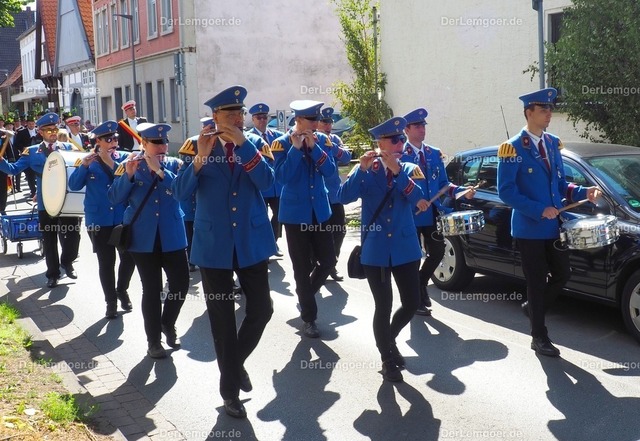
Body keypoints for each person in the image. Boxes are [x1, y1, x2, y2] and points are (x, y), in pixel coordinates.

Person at [173, 85, 276, 419]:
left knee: (262, 309)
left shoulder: (255, 144)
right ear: (214, 116)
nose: (236, 118)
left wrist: (244, 146)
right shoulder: (195, 145)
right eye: (229, 113)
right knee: (222, 320)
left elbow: (268, 183)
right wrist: (200, 160)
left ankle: (234, 363)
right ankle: (229, 391)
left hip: (250, 239)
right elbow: (180, 193)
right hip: (213, 243)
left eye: (239, 113)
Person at [497, 87, 599, 357]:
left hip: (554, 227)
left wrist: (583, 192)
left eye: (550, 109)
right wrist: (540, 210)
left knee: (563, 273)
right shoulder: (511, 148)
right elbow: (506, 192)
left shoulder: (553, 143)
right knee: (536, 281)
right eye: (544, 109)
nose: (549, 114)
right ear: (529, 113)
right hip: (529, 228)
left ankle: (533, 307)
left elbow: (561, 184)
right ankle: (539, 336)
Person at [338, 116, 429, 382]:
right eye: (395, 140)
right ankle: (387, 358)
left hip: (405, 247)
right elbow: (343, 197)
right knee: (383, 305)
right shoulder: (366, 169)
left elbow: (419, 198)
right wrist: (361, 170)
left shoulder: (410, 168)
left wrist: (398, 172)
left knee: (411, 302)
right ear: (380, 143)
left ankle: (389, 339)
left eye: (402, 139)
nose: (400, 144)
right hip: (376, 250)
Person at [108, 122, 189, 359]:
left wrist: (161, 171)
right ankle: (153, 342)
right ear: (144, 144)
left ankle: (167, 322)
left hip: (172, 235)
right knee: (152, 289)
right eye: (156, 143)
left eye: (164, 143)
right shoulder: (129, 166)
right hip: (143, 238)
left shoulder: (174, 164)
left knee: (180, 284)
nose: (162, 147)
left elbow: (181, 192)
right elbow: (114, 198)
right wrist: (129, 175)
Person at [272, 100, 337, 338]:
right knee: (301, 267)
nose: (316, 124)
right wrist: (296, 149)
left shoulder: (322, 141)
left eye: (317, 120)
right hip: (295, 215)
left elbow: (331, 172)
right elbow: (282, 178)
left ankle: (305, 293)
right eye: (311, 120)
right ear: (298, 120)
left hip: (319, 211)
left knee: (328, 261)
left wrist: (314, 148)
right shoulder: (281, 143)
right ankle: (309, 318)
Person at [401, 108, 475, 315]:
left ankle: (421, 283)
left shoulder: (433, 153)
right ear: (407, 130)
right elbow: (397, 186)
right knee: (412, 257)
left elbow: (444, 184)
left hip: (432, 213)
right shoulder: (400, 155)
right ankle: (414, 299)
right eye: (417, 126)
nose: (422, 129)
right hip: (410, 214)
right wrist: (415, 200)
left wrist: (462, 192)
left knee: (438, 252)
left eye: (423, 125)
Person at [0, 113, 81, 288]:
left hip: (66, 200)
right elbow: (13, 170)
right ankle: (53, 274)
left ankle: (67, 261)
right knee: (49, 240)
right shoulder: (31, 151)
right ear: (40, 132)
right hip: (46, 202)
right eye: (49, 130)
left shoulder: (67, 147)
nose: (53, 133)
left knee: (73, 235)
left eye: (55, 129)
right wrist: (2, 162)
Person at [68, 121, 136, 318]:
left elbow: (127, 181)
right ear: (98, 141)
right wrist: (84, 166)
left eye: (115, 139)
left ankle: (121, 290)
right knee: (106, 263)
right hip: (99, 220)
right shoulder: (88, 161)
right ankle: (110, 302)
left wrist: (110, 162)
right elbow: (74, 185)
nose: (113, 143)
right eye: (108, 140)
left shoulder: (124, 159)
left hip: (122, 217)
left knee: (129, 258)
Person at [318, 106, 352, 281]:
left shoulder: (335, 139)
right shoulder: (313, 140)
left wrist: (333, 147)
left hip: (334, 194)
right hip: (318, 196)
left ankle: (331, 264)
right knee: (319, 233)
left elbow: (346, 157)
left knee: (339, 231)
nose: (328, 125)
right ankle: (318, 264)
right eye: (324, 122)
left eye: (330, 122)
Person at [246, 103, 285, 257]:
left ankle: (273, 243)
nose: (262, 120)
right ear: (253, 119)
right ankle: (263, 246)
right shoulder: (248, 138)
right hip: (260, 185)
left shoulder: (277, 136)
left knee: (279, 214)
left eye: (264, 117)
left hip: (276, 185)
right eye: (259, 118)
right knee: (261, 216)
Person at [176, 117, 213, 272]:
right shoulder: (193, 143)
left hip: (206, 205)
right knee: (190, 231)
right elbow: (184, 179)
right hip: (190, 201)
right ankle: (191, 260)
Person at [12, 112, 40, 198]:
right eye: (30, 124)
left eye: (33, 123)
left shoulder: (39, 132)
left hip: (38, 155)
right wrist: (22, 148)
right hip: (27, 155)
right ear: (27, 124)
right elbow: (16, 144)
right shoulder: (22, 132)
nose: (31, 125)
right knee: (29, 174)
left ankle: (39, 190)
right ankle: (33, 191)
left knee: (38, 173)